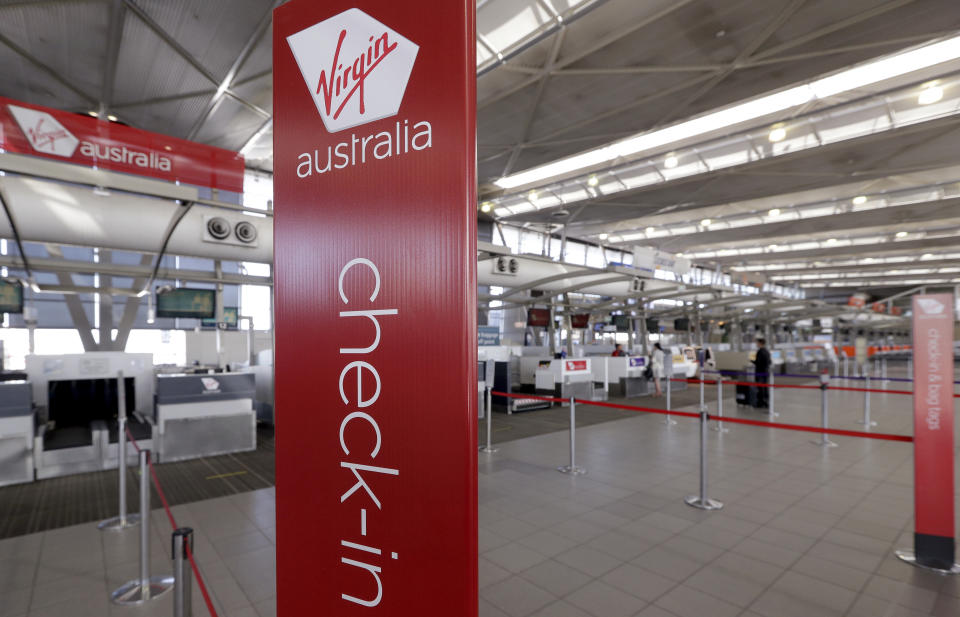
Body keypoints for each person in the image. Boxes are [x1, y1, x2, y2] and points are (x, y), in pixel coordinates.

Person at [753, 338, 772, 408]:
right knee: (765, 388)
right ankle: (766, 402)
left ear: (760, 343)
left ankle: (760, 403)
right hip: (766, 372)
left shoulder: (760, 351)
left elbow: (758, 362)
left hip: (760, 372)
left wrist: (751, 361)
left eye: (757, 343)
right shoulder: (767, 351)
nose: (756, 344)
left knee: (760, 388)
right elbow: (770, 362)